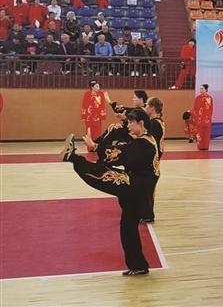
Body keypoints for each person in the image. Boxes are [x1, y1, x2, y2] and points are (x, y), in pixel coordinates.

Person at [61, 108, 159, 276]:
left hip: (136, 187)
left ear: (141, 123)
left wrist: (96, 147)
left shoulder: (144, 143)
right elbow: (124, 150)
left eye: (131, 122)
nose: (128, 125)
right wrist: (98, 147)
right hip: (136, 186)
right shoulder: (145, 140)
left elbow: (121, 153)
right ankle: (138, 265)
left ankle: (73, 158)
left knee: (101, 174)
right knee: (127, 227)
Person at [142, 97, 165, 223]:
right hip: (154, 160)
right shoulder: (157, 121)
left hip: (152, 161)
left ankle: (148, 214)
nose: (145, 107)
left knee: (148, 189)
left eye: (146, 106)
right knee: (148, 188)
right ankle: (146, 213)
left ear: (152, 108)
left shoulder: (154, 124)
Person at [81, 80, 106, 151]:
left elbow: (103, 105)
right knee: (89, 132)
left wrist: (103, 115)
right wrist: (83, 115)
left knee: (98, 132)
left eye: (99, 86)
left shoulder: (101, 94)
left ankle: (97, 147)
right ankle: (90, 147)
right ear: (92, 87)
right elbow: (84, 105)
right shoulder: (87, 94)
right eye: (96, 86)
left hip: (97, 116)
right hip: (89, 117)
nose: (98, 88)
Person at [192, 84, 214, 150]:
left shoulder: (209, 98)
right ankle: (200, 146)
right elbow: (195, 108)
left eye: (202, 88)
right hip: (199, 119)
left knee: (206, 133)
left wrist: (208, 117)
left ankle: (206, 146)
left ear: (206, 89)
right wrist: (195, 117)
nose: (200, 90)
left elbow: (210, 109)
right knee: (199, 133)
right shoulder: (197, 98)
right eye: (200, 88)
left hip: (207, 119)